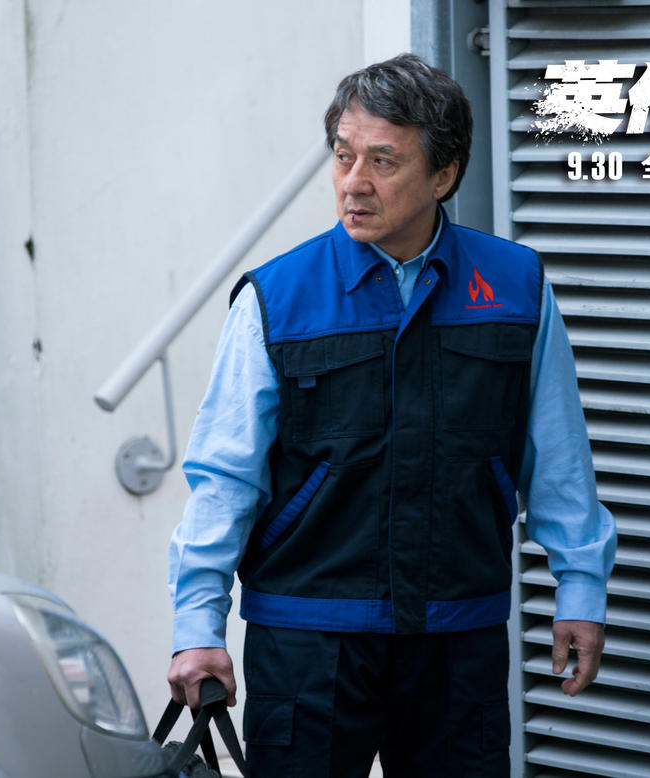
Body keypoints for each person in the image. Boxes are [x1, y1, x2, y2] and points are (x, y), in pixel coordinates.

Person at [167, 53, 616, 777]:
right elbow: (225, 477)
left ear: (444, 175)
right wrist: (197, 625)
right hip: (307, 642)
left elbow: (558, 459)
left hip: (458, 637)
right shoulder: (277, 298)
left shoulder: (516, 288)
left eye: (383, 161)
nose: (353, 182)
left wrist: (581, 589)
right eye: (343, 155)